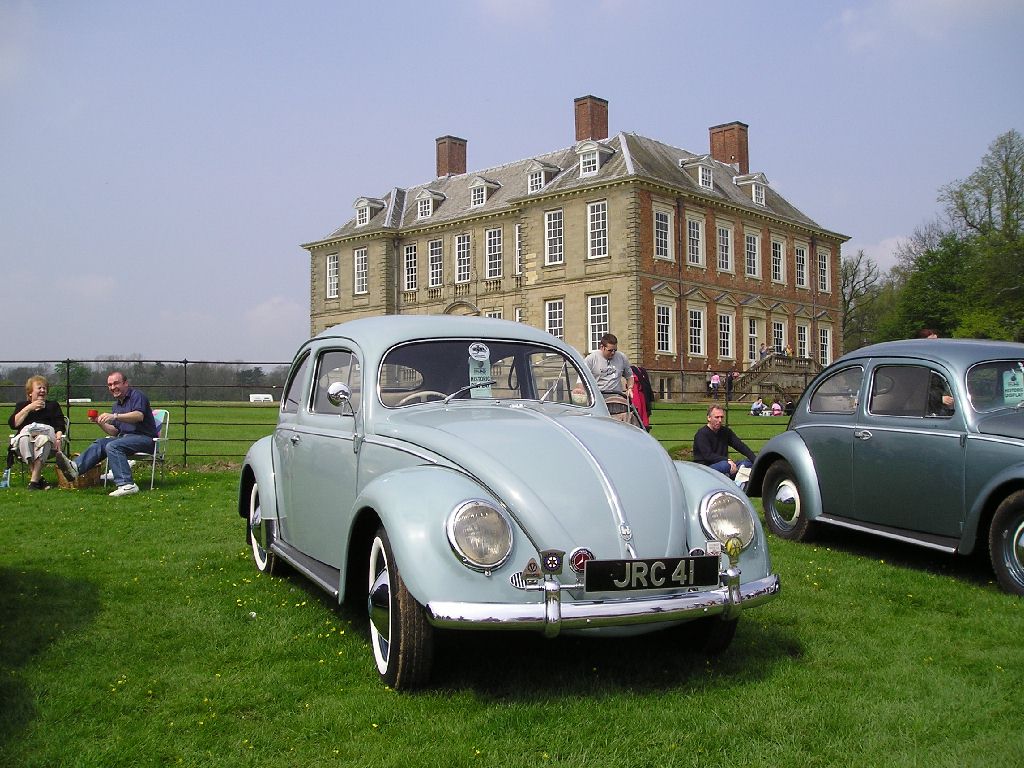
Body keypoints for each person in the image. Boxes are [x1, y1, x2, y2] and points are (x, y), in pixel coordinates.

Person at [61, 370, 159, 497]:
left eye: (116, 383)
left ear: (126, 383)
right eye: (110, 385)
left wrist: (115, 416)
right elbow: (115, 432)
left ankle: (127, 484)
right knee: (101, 443)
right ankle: (75, 468)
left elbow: (139, 416)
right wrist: (99, 422)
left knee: (113, 445)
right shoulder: (116, 405)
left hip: (145, 439)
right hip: (125, 439)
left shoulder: (137, 396)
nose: (113, 387)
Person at [8, 375, 72, 490]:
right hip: (25, 442)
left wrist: (58, 438)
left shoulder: (53, 405)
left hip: (48, 441)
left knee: (44, 440)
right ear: (30, 392)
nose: (43, 390)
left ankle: (34, 481)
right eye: (39, 388)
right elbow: (14, 424)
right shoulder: (22, 405)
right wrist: (29, 408)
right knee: (24, 438)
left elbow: (60, 425)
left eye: (44, 388)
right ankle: (38, 480)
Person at [693, 405, 756, 480]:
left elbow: (741, 446)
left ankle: (732, 475)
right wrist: (726, 460)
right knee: (725, 465)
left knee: (749, 463)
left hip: (724, 463)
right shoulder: (702, 434)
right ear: (709, 418)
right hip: (706, 468)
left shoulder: (725, 431)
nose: (720, 420)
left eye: (722, 417)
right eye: (717, 417)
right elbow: (708, 456)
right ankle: (733, 475)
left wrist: (756, 460)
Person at [584, 334, 634, 423]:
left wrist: (630, 388)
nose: (613, 353)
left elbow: (629, 376)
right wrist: (580, 390)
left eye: (615, 350)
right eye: (610, 350)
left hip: (616, 399)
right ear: (602, 347)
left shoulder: (622, 357)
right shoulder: (591, 359)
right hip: (598, 399)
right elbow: (581, 380)